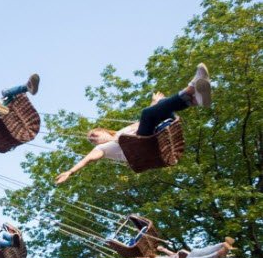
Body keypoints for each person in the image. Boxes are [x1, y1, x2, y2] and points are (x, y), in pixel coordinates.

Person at [55, 64, 212, 184]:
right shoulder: (102, 149)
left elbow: (146, 123)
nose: (94, 140)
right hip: (141, 149)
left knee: (159, 106)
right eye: (92, 140)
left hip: (154, 136)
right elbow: (87, 159)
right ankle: (191, 89)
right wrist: (70, 171)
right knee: (147, 112)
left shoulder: (123, 131)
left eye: (94, 136)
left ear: (104, 131)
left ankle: (195, 98)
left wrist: (154, 103)